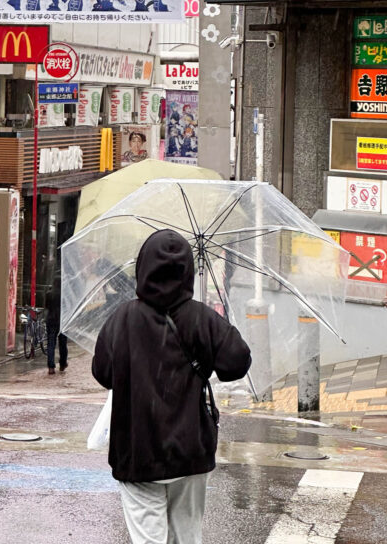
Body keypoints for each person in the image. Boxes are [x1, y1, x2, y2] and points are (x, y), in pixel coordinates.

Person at [92, 229, 251, 544]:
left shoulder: (123, 318)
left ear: (143, 268)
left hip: (137, 452)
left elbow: (103, 373)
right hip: (189, 450)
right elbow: (238, 362)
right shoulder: (201, 318)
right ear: (187, 271)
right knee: (187, 538)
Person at [44, 276, 68, 375]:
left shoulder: (49, 294)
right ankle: (62, 363)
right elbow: (67, 307)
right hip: (62, 320)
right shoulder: (64, 294)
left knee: (51, 343)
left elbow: (46, 306)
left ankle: (51, 367)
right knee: (63, 344)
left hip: (51, 320)